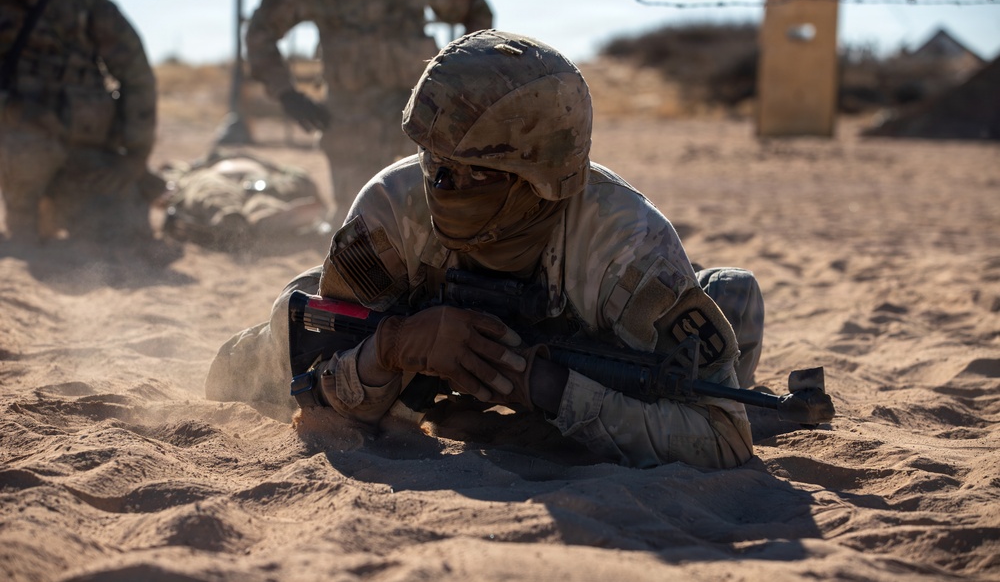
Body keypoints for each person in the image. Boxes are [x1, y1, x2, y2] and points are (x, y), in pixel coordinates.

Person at [207, 30, 766, 470]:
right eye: (435, 162)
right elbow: (319, 393)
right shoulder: (393, 210)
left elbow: (723, 438)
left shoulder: (625, 246)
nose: (441, 184)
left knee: (733, 303)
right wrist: (395, 347)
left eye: (476, 172)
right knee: (275, 339)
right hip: (407, 348)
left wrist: (548, 391)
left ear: (542, 180)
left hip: (598, 347)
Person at [244, 0, 493, 228]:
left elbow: (476, 12)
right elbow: (260, 31)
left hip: (418, 113)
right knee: (356, 227)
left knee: (433, 219)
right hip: (351, 123)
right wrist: (286, 93)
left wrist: (456, 80)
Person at [0, 0, 162, 246]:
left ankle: (53, 214)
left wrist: (134, 157)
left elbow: (137, 77)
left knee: (124, 234)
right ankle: (24, 232)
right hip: (17, 149)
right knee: (25, 149)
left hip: (85, 150)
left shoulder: (82, 4)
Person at [159, 150, 330, 253]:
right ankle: (235, 219)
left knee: (260, 201)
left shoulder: (271, 166)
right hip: (216, 179)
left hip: (259, 183)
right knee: (213, 192)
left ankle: (261, 219)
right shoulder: (200, 168)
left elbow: (301, 178)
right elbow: (168, 178)